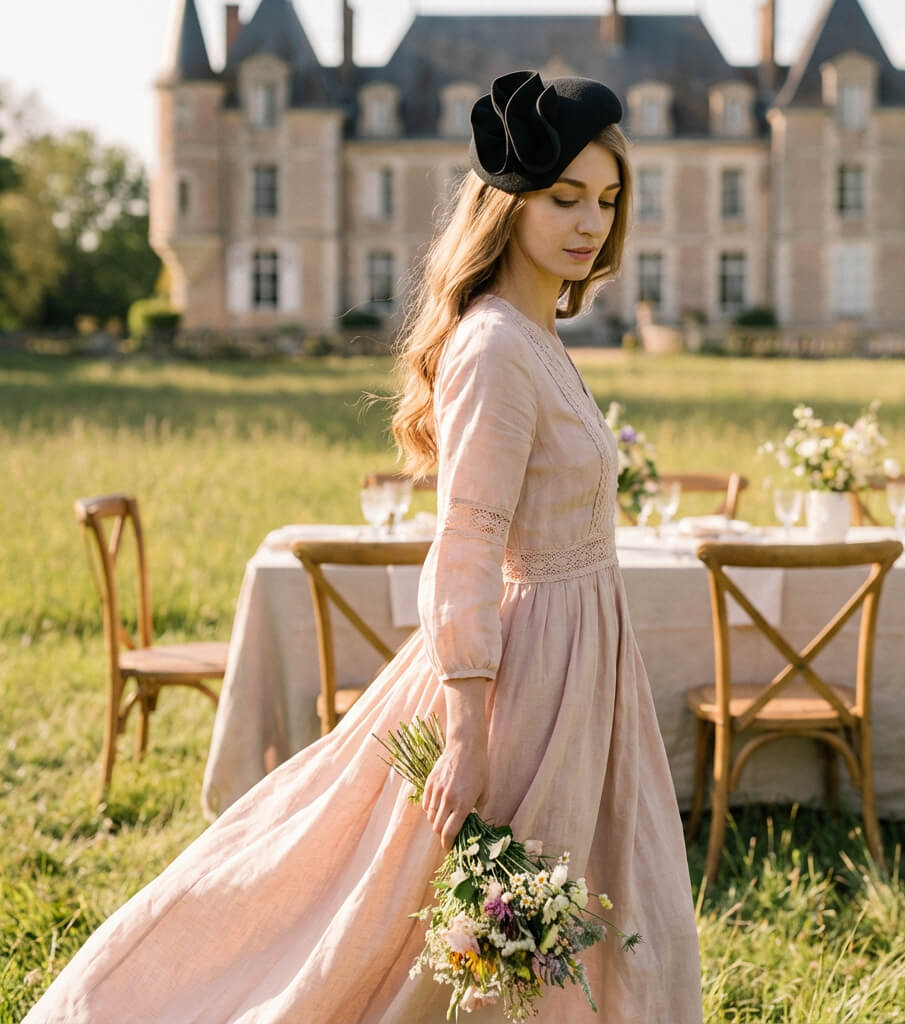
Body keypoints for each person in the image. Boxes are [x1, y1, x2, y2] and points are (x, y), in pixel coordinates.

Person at [26, 71, 702, 1023]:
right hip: (527, 671)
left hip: (583, 657)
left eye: (607, 199)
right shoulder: (496, 346)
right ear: (507, 204)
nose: (591, 222)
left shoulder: (540, 337)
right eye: (565, 198)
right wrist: (469, 723)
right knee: (472, 903)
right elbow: (468, 537)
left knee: (575, 891)